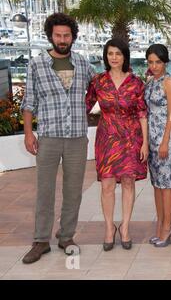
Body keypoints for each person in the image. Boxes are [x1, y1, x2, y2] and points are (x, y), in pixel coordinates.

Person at [21, 13, 95, 264]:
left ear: (73, 36)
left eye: (67, 35)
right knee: (45, 191)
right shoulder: (37, 64)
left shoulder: (84, 64)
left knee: (74, 191)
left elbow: (98, 89)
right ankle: (41, 240)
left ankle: (66, 237)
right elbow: (29, 101)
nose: (62, 39)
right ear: (50, 36)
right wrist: (29, 133)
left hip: (76, 137)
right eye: (58, 35)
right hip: (49, 137)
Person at [86, 38, 148, 251]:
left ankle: (125, 228)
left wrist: (145, 143)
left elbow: (142, 113)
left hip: (131, 138)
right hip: (107, 139)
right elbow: (84, 105)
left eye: (118, 54)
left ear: (125, 57)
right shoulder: (98, 81)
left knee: (129, 183)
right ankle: (108, 229)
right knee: (107, 186)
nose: (114, 57)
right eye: (110, 53)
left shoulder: (136, 82)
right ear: (106, 56)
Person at [145, 44, 171, 247]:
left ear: (165, 62)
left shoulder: (169, 82)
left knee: (166, 186)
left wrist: (165, 141)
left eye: (158, 62)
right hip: (152, 140)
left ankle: (168, 228)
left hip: (166, 140)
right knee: (157, 186)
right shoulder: (150, 82)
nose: (154, 66)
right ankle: (160, 226)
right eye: (151, 62)